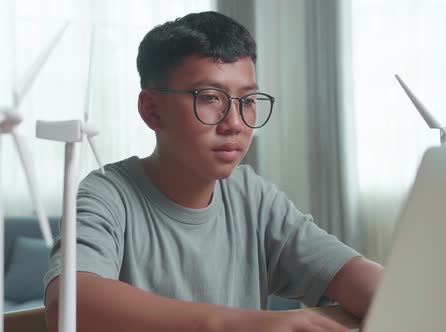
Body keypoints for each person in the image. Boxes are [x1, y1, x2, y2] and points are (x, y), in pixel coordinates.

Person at [44, 11, 383, 332]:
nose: (234, 124)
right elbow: (70, 301)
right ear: (152, 110)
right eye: (210, 98)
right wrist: (241, 325)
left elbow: (352, 275)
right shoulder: (107, 194)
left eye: (248, 101)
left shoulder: (252, 197)